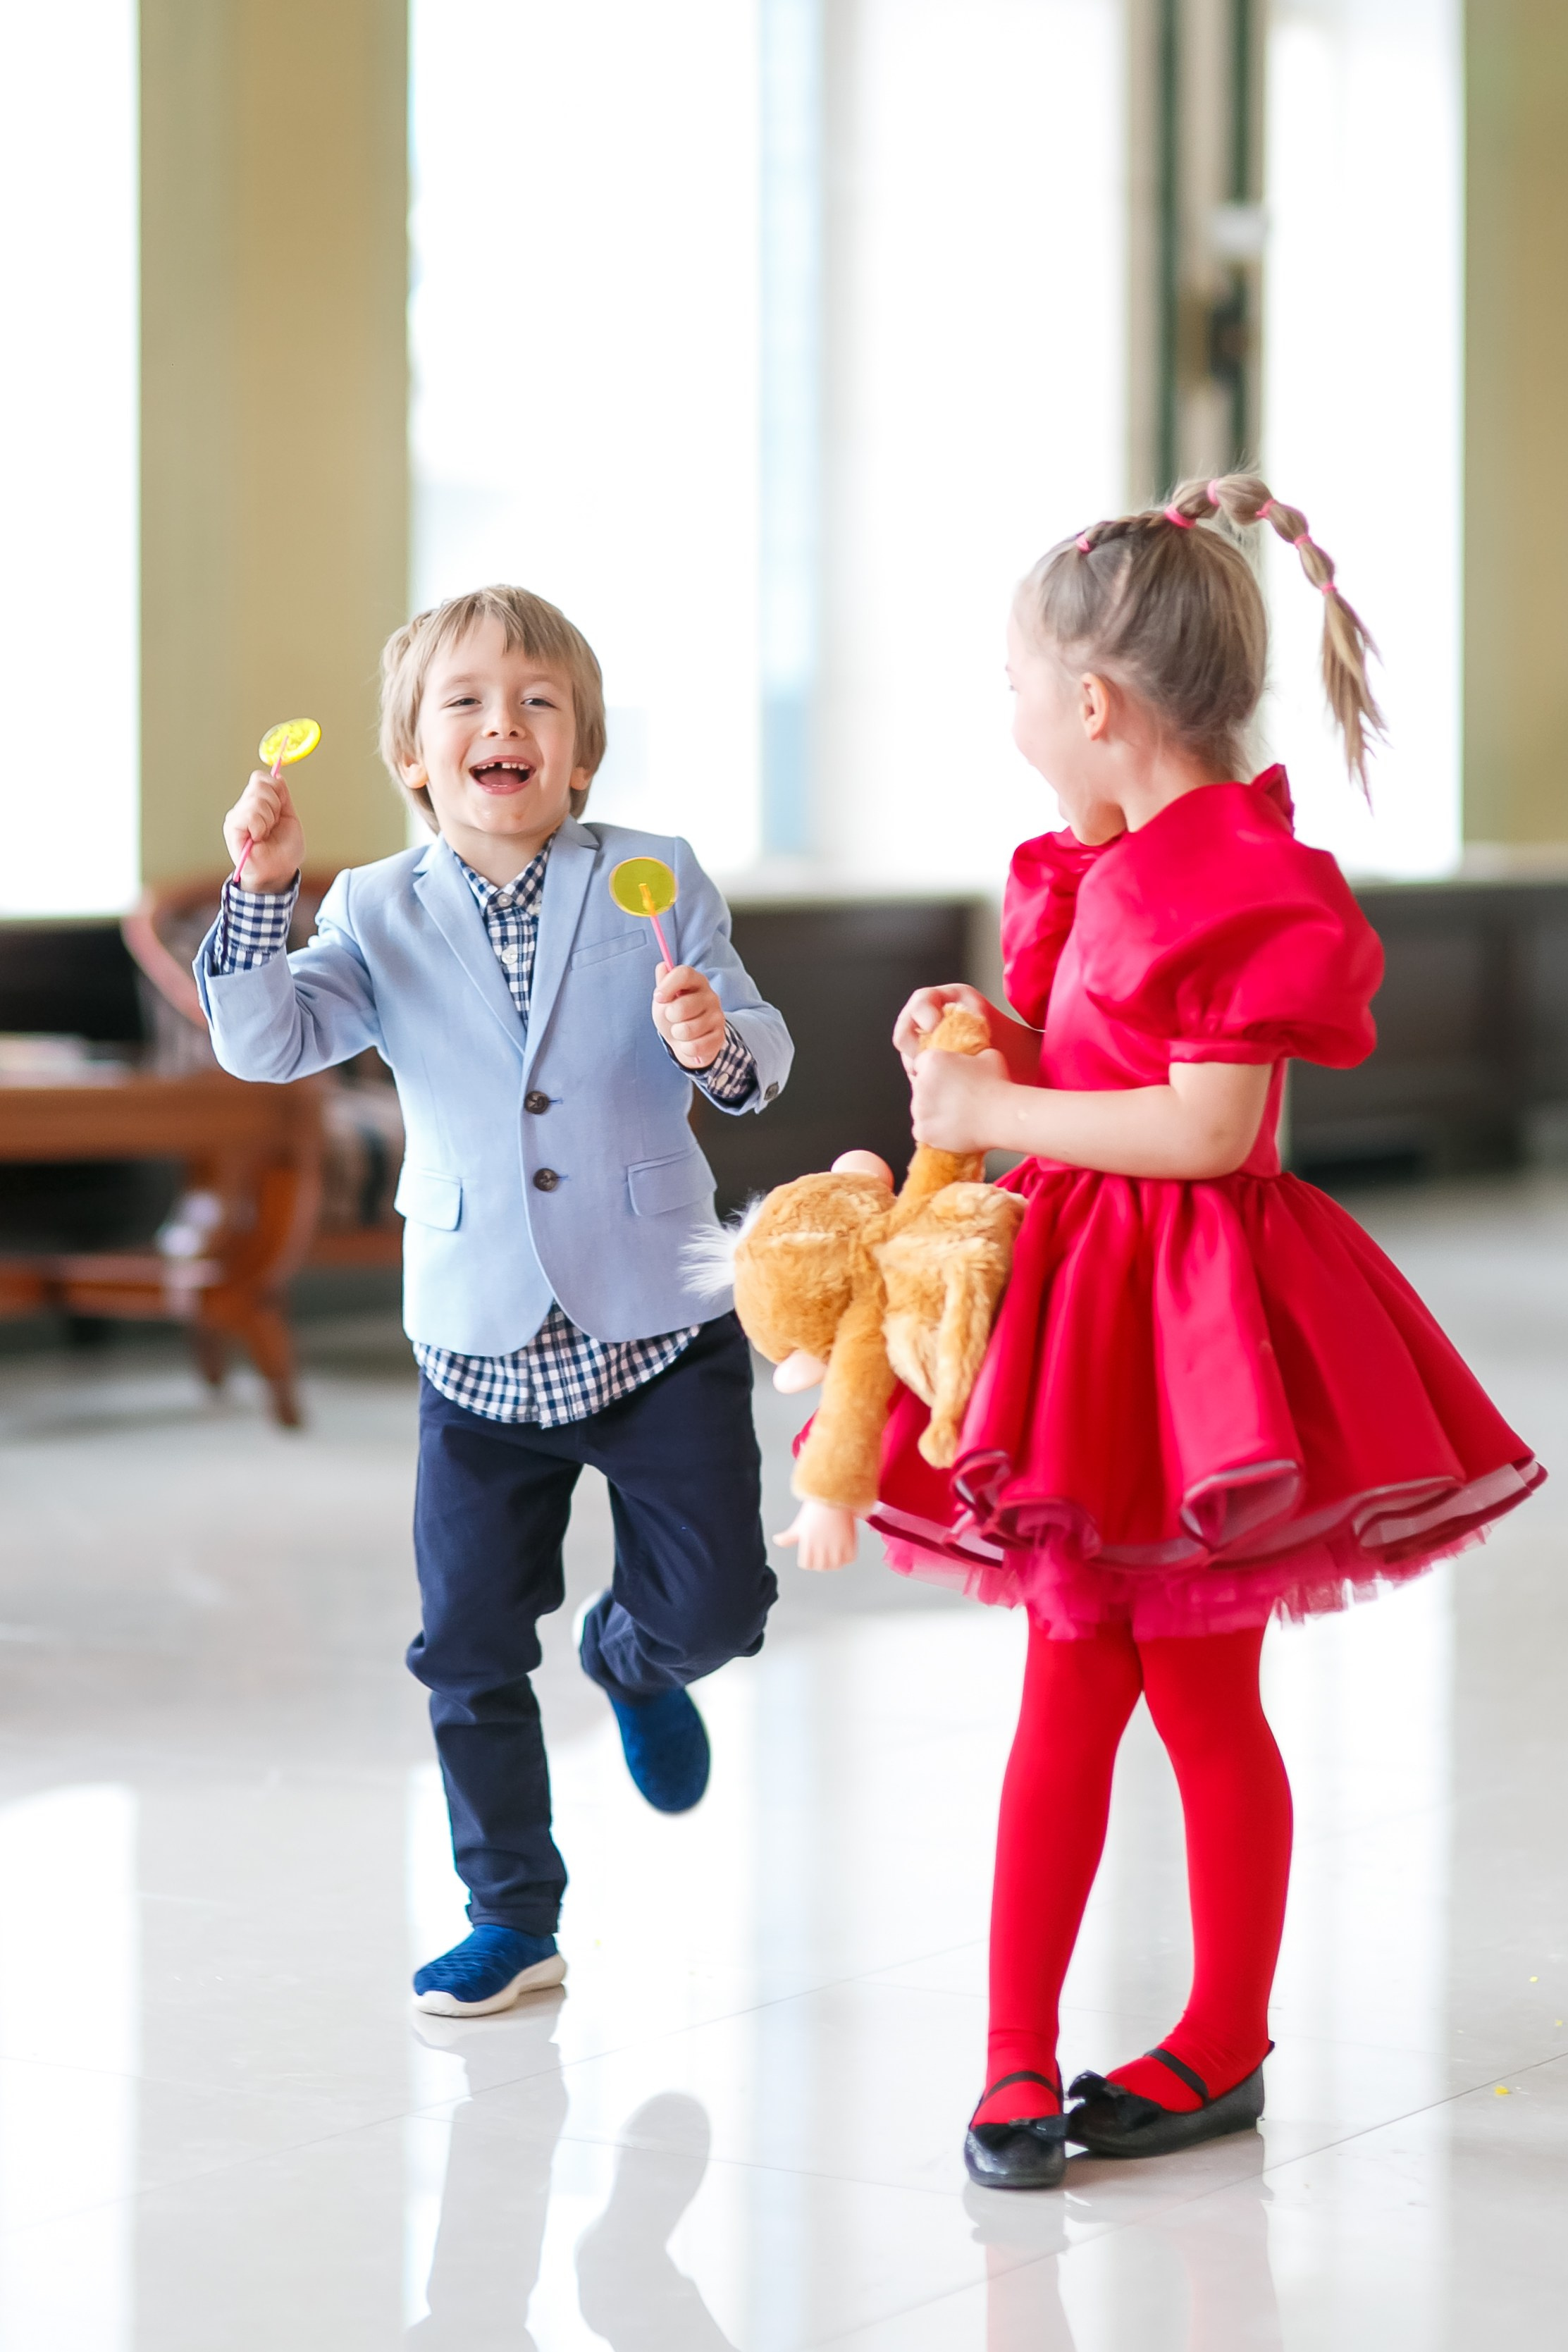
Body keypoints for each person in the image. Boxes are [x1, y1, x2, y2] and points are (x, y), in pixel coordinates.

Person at [870, 476, 1543, 2188]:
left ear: (1095, 706)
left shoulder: (1231, 876)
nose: (1014, 719)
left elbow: (1207, 1128)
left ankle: (1214, 2042)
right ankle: (1021, 2054)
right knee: (1075, 1690)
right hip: (1094, 1310)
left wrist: (996, 1110)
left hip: (1183, 1329)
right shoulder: (1115, 865)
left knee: (1191, 1694)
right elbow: (1103, 1064)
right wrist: (992, 1041)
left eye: (1017, 689)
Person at [197, 585, 791, 2017]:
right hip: (477, 1345)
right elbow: (266, 1043)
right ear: (414, 754)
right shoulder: (372, 905)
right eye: (463, 701)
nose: (501, 723)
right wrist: (261, 892)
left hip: (658, 1322)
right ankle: (511, 1913)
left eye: (536, 702)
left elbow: (761, 1058)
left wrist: (711, 1040)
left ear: (579, 751)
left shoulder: (653, 874)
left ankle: (632, 1658)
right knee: (465, 1647)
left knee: (720, 1607)